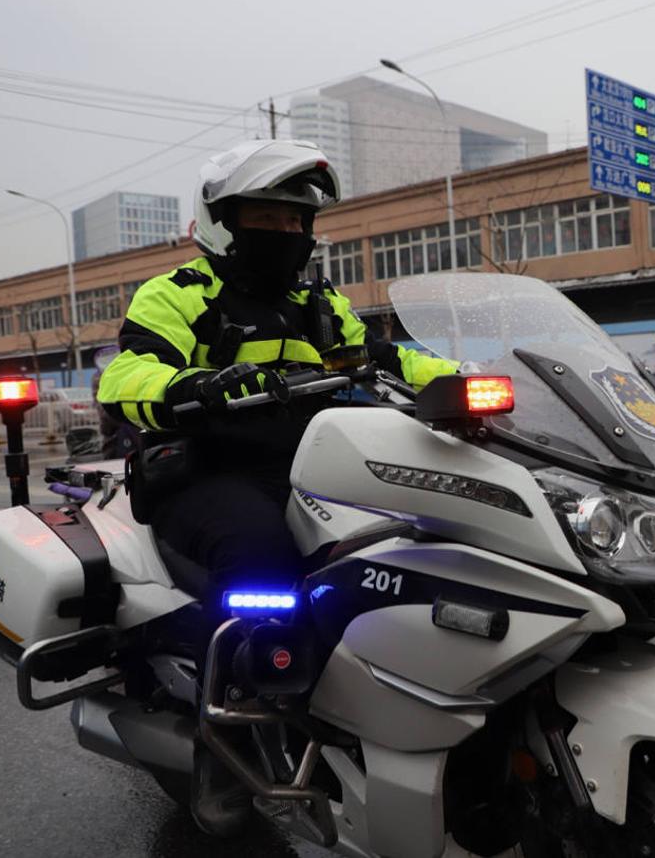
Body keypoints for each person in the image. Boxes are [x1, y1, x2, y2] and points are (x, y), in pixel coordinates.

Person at [97, 140, 459, 833]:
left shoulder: (317, 301)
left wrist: (463, 378)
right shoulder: (178, 294)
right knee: (262, 564)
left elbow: (380, 358)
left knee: (419, 548)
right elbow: (125, 377)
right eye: (267, 218)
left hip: (315, 468)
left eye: (296, 222)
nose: (286, 234)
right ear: (223, 221)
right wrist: (195, 385)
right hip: (206, 471)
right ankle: (223, 740)